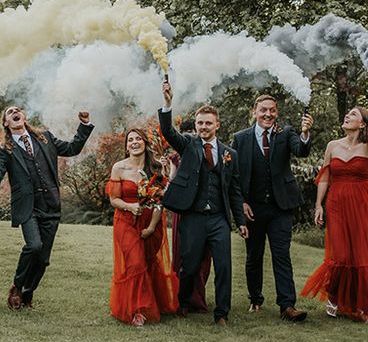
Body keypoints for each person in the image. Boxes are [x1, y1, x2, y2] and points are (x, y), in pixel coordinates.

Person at [0, 105, 93, 310]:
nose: (15, 112)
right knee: (34, 246)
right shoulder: (4, 149)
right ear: (6, 122)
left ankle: (28, 292)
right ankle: (17, 285)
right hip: (27, 207)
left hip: (51, 204)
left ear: (23, 117)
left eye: (18, 110)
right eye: (9, 112)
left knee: (43, 260)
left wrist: (84, 125)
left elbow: (72, 149)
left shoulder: (45, 138)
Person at [158, 80, 248, 326]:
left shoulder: (231, 154)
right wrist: (167, 104)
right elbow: (168, 133)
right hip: (193, 216)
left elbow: (235, 190)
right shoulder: (188, 145)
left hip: (219, 218)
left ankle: (222, 314)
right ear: (195, 126)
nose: (203, 127)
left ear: (217, 125)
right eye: (200, 123)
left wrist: (240, 222)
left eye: (208, 123)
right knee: (189, 265)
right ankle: (184, 301)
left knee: (224, 266)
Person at [233, 94, 312, 322]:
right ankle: (255, 299)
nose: (268, 114)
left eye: (272, 110)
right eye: (263, 110)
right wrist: (243, 203)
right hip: (253, 209)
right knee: (253, 256)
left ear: (277, 112)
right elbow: (235, 176)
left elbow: (301, 150)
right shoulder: (240, 138)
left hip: (280, 207)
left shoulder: (285, 133)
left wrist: (305, 132)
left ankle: (287, 306)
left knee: (281, 255)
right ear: (254, 112)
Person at [301, 107, 368, 321]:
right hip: (336, 202)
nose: (347, 116)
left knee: (360, 253)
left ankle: (359, 304)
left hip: (362, 203)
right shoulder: (333, 146)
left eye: (353, 115)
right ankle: (335, 297)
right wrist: (319, 205)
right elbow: (324, 177)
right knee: (340, 254)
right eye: (347, 113)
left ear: (363, 124)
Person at [107, 128, 179, 325]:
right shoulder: (119, 168)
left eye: (138, 139)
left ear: (145, 143)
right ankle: (137, 310)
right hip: (126, 221)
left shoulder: (156, 168)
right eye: (130, 140)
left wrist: (151, 227)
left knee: (148, 262)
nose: (134, 142)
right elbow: (114, 199)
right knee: (135, 263)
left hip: (151, 222)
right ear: (126, 146)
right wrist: (129, 206)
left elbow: (160, 200)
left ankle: (155, 302)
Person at [168, 118, 211, 312]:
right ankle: (183, 297)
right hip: (185, 208)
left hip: (206, 209)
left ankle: (198, 296)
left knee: (204, 256)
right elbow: (172, 179)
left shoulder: (212, 150)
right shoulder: (179, 154)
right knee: (185, 253)